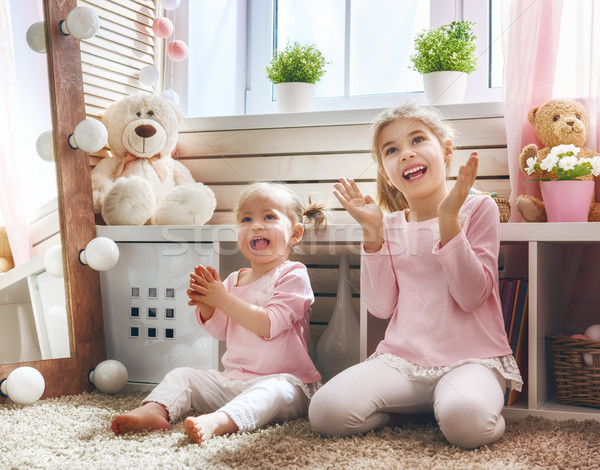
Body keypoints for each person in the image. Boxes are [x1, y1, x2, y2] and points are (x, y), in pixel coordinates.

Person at [308, 102, 522, 450]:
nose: (405, 154)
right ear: (385, 170)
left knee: (465, 424)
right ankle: (421, 414)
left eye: (417, 140)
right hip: (402, 362)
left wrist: (449, 222)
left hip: (472, 360)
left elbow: (471, 296)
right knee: (325, 412)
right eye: (391, 150)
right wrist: (373, 234)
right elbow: (380, 307)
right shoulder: (388, 224)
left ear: (446, 149)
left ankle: (445, 410)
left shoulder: (478, 208)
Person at [111, 182, 327, 443]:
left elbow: (270, 325)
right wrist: (207, 306)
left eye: (269, 216)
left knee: (270, 393)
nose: (256, 225)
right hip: (233, 381)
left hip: (286, 383)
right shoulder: (236, 279)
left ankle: (219, 420)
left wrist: (222, 299)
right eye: (246, 219)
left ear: (296, 233)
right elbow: (220, 330)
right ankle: (156, 409)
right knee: (182, 375)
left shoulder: (292, 274)